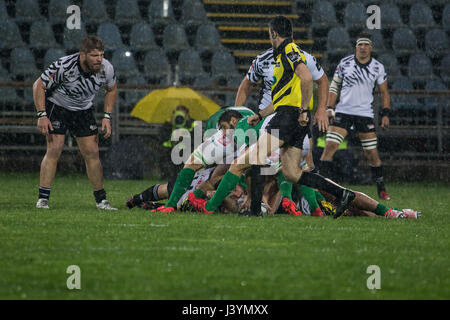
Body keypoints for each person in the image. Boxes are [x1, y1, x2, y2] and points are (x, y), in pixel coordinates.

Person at [188, 16, 355, 218]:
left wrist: (303, 110)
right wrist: (260, 114)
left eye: (270, 34)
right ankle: (342, 193)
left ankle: (241, 209)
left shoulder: (288, 50)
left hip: (287, 117)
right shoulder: (283, 55)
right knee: (292, 173)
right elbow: (282, 97)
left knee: (243, 162)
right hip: (292, 119)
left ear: (273, 33)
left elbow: (307, 78)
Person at [33, 36, 117, 210]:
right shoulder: (64, 65)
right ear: (83, 54)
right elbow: (38, 85)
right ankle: (43, 199)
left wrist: (107, 117)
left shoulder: (106, 68)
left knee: (92, 153)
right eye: (94, 55)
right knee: (54, 149)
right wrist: (42, 115)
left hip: (83, 110)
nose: (99, 59)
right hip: (58, 106)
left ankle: (101, 201)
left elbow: (112, 89)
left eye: (101, 55)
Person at [318, 33, 392, 201]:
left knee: (372, 154)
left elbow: (384, 92)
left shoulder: (378, 67)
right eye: (360, 45)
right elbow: (334, 86)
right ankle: (322, 187)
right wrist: (329, 108)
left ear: (370, 47)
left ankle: (381, 190)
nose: (363, 47)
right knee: (329, 147)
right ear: (356, 47)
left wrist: (385, 114)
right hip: (343, 111)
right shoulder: (345, 63)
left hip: (365, 115)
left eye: (366, 45)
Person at [139, 105, 255, 212]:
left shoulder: (237, 125)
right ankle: (186, 202)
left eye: (225, 128)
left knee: (202, 166)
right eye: (222, 128)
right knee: (219, 169)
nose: (224, 132)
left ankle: (177, 203)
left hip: (245, 131)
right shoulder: (220, 126)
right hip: (240, 131)